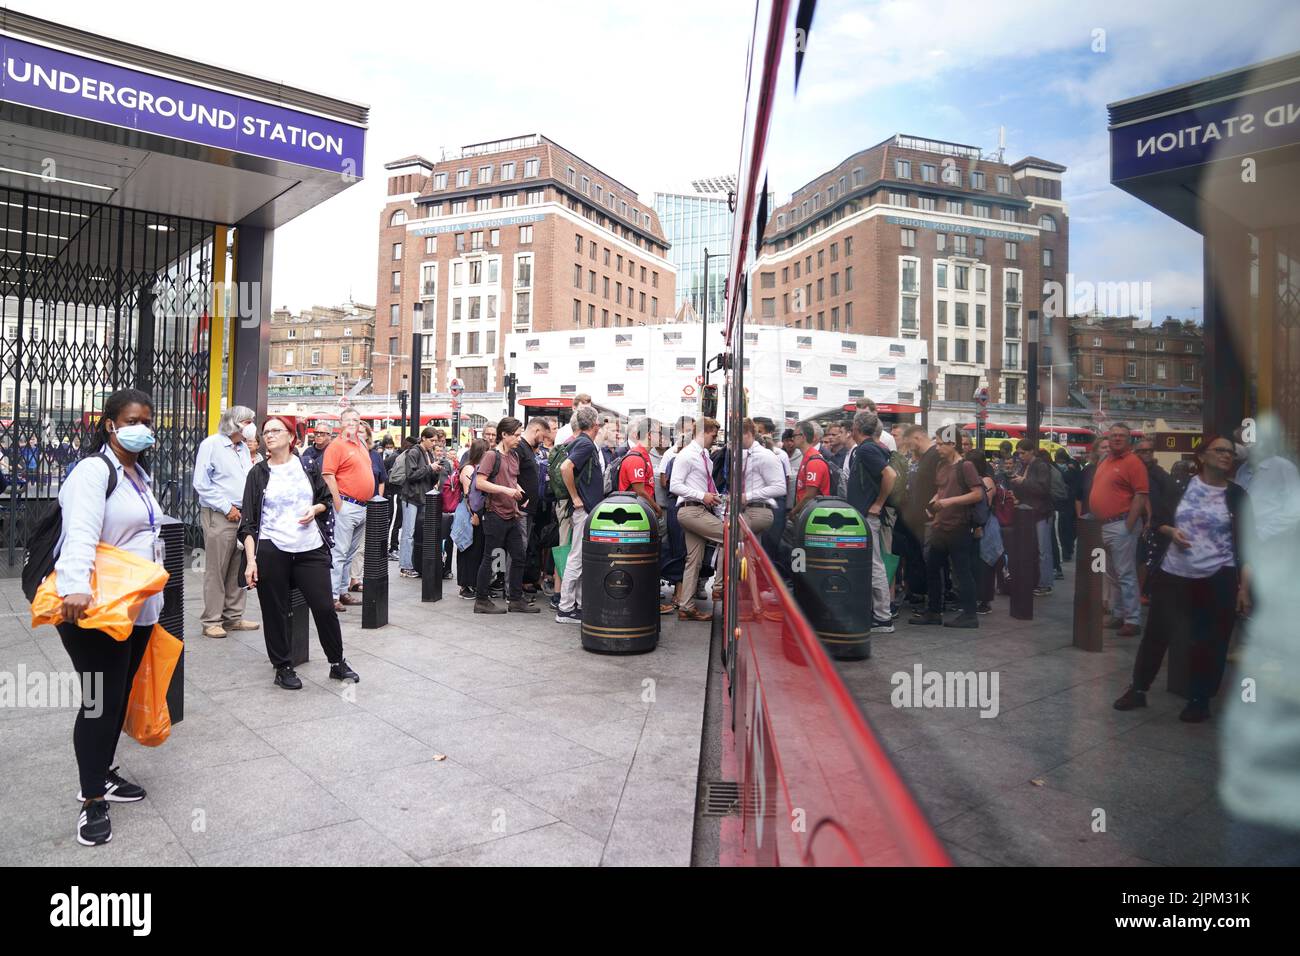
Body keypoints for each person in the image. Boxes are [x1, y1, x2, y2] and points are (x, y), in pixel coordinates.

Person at [54, 388, 161, 847]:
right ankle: (92, 799)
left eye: (147, 420)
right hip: (93, 605)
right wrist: (75, 585)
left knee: (115, 698)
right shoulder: (93, 472)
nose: (142, 428)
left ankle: (103, 774)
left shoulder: (136, 473)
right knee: (99, 702)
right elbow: (80, 529)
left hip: (132, 606)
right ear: (110, 425)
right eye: (133, 420)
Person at [1113, 437, 1250, 722]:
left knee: (1210, 641)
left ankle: (1199, 699)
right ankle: (1138, 689)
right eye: (1220, 450)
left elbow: (1248, 545)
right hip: (1174, 574)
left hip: (1218, 576)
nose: (1227, 456)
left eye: (1231, 452)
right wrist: (1171, 532)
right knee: (1156, 635)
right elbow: (1159, 520)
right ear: (1202, 456)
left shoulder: (1238, 495)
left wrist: (1243, 588)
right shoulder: (1180, 486)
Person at [239, 416, 358, 692]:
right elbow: (248, 522)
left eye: (275, 431)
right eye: (265, 432)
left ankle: (337, 662)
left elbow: (325, 501)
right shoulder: (258, 474)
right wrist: (251, 561)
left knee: (324, 606)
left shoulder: (307, 465)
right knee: (275, 610)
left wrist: (314, 510)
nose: (268, 436)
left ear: (291, 436)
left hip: (309, 547)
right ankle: (283, 666)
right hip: (272, 547)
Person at [192, 405, 259, 639]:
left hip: (242, 514)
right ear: (235, 423)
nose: (252, 425)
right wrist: (226, 506)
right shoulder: (211, 445)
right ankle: (211, 620)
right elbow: (201, 483)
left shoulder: (242, 448)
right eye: (247, 421)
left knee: (237, 568)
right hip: (221, 514)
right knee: (216, 569)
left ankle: (233, 617)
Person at [909, 431, 983, 629]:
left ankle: (969, 615)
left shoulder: (965, 466)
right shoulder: (941, 465)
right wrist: (934, 502)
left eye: (942, 444)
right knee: (932, 568)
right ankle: (933, 611)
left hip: (959, 526)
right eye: (938, 443)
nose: (938, 448)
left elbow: (977, 494)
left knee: (962, 571)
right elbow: (941, 489)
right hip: (940, 526)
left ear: (953, 444)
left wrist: (948, 501)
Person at [1088, 423, 1149, 636]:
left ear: (1129, 439)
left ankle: (1132, 619)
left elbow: (1141, 495)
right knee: (1113, 573)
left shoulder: (1133, 462)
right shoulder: (1106, 460)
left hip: (1121, 524)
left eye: (1121, 435)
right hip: (1104, 525)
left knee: (1125, 573)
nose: (1116, 439)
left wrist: (1128, 525)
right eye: (1113, 435)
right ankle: (1119, 613)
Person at [471, 418, 535, 614]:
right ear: (504, 435)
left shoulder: (514, 456)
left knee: (518, 556)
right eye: (516, 435)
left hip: (512, 514)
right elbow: (480, 483)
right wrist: (507, 491)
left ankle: (515, 599)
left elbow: (511, 479)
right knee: (489, 558)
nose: (519, 438)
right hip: (495, 514)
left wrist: (520, 493)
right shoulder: (491, 455)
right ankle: (481, 600)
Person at [845, 410, 896, 634]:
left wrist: (878, 503)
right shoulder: (868, 449)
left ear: (856, 428)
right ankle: (878, 613)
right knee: (872, 564)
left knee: (875, 565)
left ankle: (884, 617)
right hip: (865, 515)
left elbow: (890, 475)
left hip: (868, 515)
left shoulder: (866, 449)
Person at [669, 416, 724, 622]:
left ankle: (687, 607)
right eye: (713, 434)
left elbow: (706, 485)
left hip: (696, 510)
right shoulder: (687, 455)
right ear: (703, 432)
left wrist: (714, 497)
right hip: (692, 510)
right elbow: (674, 485)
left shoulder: (704, 457)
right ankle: (719, 587)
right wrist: (703, 496)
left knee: (694, 560)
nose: (714, 438)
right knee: (729, 536)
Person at [556, 406, 604, 623]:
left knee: (580, 558)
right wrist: (576, 498)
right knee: (576, 558)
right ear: (595, 424)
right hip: (583, 509)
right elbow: (566, 468)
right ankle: (565, 609)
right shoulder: (585, 443)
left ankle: (576, 606)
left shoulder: (583, 442)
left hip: (584, 509)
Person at [321, 408, 371, 612]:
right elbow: (328, 474)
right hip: (346, 504)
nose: (353, 423)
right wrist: (338, 503)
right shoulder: (337, 446)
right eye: (349, 420)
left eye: (357, 420)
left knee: (349, 553)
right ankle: (332, 596)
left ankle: (342, 591)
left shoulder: (360, 444)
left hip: (361, 507)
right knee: (339, 552)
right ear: (341, 422)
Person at [346, 422, 388, 592]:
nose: (359, 435)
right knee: (345, 546)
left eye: (362, 432)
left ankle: (354, 579)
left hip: (370, 506)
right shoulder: (348, 452)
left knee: (362, 546)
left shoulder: (375, 455)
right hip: (350, 505)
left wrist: (378, 500)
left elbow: (382, 479)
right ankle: (341, 583)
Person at [1010, 439, 1055, 596]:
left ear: (1031, 452)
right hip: (1028, 511)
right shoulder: (1024, 466)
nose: (1020, 456)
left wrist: (1023, 481)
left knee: (1043, 549)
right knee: (1033, 549)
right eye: (1019, 453)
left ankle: (1046, 583)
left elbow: (1043, 489)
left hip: (1041, 512)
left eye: (1023, 453)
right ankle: (1036, 580)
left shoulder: (1041, 466)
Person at [398, 426, 441, 579]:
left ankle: (411, 564)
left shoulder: (428, 453)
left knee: (416, 533)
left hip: (422, 496)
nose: (433, 443)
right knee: (408, 533)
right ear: (423, 438)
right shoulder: (414, 452)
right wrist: (430, 468)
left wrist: (435, 472)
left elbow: (428, 477)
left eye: (435, 441)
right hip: (412, 497)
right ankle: (405, 566)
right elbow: (411, 475)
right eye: (431, 440)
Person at [965, 450, 1001, 614]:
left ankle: (984, 600)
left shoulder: (986, 480)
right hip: (980, 525)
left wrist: (978, 525)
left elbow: (983, 506)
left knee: (985, 562)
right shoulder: (979, 480)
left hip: (985, 526)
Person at [456, 439, 488, 599]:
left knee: (476, 548)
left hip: (477, 512)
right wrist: (475, 514)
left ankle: (472, 582)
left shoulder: (477, 468)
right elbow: (470, 495)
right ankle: (465, 585)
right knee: (468, 547)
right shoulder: (469, 469)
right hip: (470, 514)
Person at [1056, 449, 1082, 561]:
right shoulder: (1073, 465)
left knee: (1065, 529)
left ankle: (1067, 549)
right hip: (1072, 502)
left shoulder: (1070, 467)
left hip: (1068, 502)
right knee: (1069, 528)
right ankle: (1069, 547)